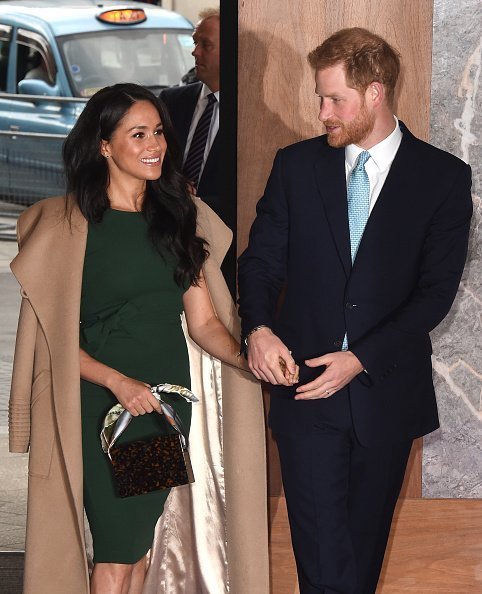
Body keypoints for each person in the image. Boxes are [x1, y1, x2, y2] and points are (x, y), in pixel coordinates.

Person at [238, 27, 472, 594]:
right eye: (320, 97)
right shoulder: (295, 167)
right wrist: (259, 328)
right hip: (307, 389)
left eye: (334, 99)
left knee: (361, 557)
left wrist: (360, 359)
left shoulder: (443, 179)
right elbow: (261, 262)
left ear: (375, 92)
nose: (322, 112)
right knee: (322, 556)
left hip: (385, 392)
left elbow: (434, 295)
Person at [9, 83, 269, 594]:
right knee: (115, 547)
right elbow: (52, 343)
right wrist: (117, 381)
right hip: (100, 406)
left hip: (163, 408)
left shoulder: (174, 218)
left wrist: (250, 358)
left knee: (138, 547)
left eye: (158, 133)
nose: (155, 145)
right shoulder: (70, 227)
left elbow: (204, 323)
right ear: (104, 145)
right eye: (138, 134)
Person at [159, 7, 236, 296]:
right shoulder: (171, 100)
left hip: (222, 248)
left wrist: (198, 202)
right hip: (167, 240)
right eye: (195, 42)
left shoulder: (249, 116)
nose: (195, 52)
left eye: (206, 45)